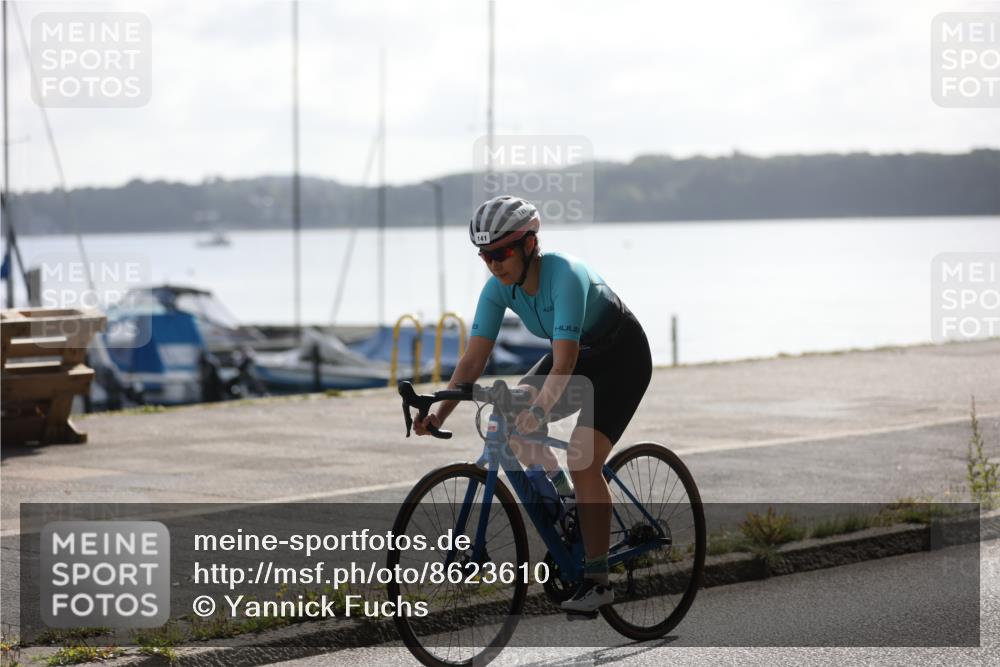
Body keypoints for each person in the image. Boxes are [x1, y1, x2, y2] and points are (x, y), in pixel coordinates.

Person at [413, 195, 653, 613]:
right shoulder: (498, 288)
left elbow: (564, 364)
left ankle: (598, 580)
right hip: (576, 357)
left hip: (620, 359)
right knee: (510, 418)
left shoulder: (565, 277)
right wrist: (440, 410)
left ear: (528, 244)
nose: (493, 263)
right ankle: (565, 506)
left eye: (502, 252)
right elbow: (472, 360)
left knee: (583, 460)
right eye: (484, 255)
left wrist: (539, 411)